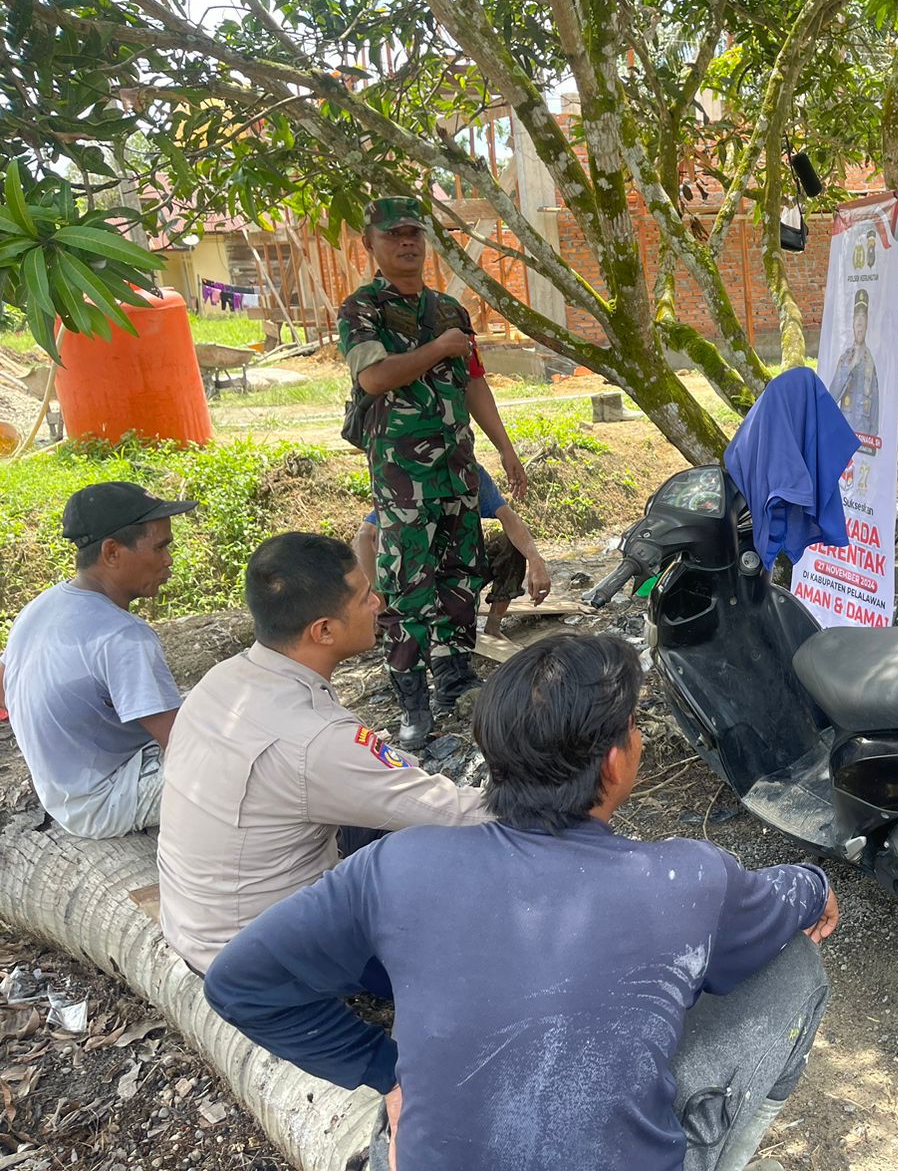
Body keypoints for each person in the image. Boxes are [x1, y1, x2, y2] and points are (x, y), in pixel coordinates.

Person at [204, 632, 836, 1171]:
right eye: (635, 726)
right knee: (797, 968)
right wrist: (819, 883)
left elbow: (239, 982)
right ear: (615, 763)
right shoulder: (688, 879)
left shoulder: (398, 864)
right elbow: (792, 897)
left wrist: (385, 1070)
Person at [158, 532, 490, 975]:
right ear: (324, 630)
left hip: (197, 923)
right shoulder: (316, 740)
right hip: (258, 955)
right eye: (365, 597)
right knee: (456, 880)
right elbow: (454, 814)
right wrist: (560, 806)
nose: (378, 604)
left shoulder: (223, 680)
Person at [339, 195, 529, 747]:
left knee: (460, 579)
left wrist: (505, 448)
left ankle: (454, 679)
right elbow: (373, 378)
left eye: (415, 234)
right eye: (395, 235)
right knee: (405, 587)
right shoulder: (363, 309)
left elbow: (473, 383)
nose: (408, 244)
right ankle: (412, 698)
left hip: (456, 473)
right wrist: (437, 348)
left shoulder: (450, 310)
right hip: (403, 480)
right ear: (370, 244)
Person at [0, 482, 192, 838]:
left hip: (62, 791)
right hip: (103, 801)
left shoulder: (40, 607)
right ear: (112, 552)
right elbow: (185, 745)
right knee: (247, 769)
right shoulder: (123, 635)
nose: (168, 560)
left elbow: (3, 686)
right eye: (161, 547)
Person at [352, 459, 551, 641]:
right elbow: (363, 537)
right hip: (415, 582)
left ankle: (493, 626)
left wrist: (536, 560)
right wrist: (378, 600)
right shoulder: (414, 478)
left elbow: (510, 518)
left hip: (459, 576)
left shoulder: (471, 474)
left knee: (511, 546)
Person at [827, 288, 880, 451]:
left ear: (867, 325)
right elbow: (832, 396)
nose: (859, 322)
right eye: (857, 317)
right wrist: (850, 367)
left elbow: (875, 406)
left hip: (864, 439)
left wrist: (872, 439)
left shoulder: (872, 361)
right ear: (852, 323)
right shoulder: (845, 358)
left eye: (863, 317)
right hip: (844, 435)